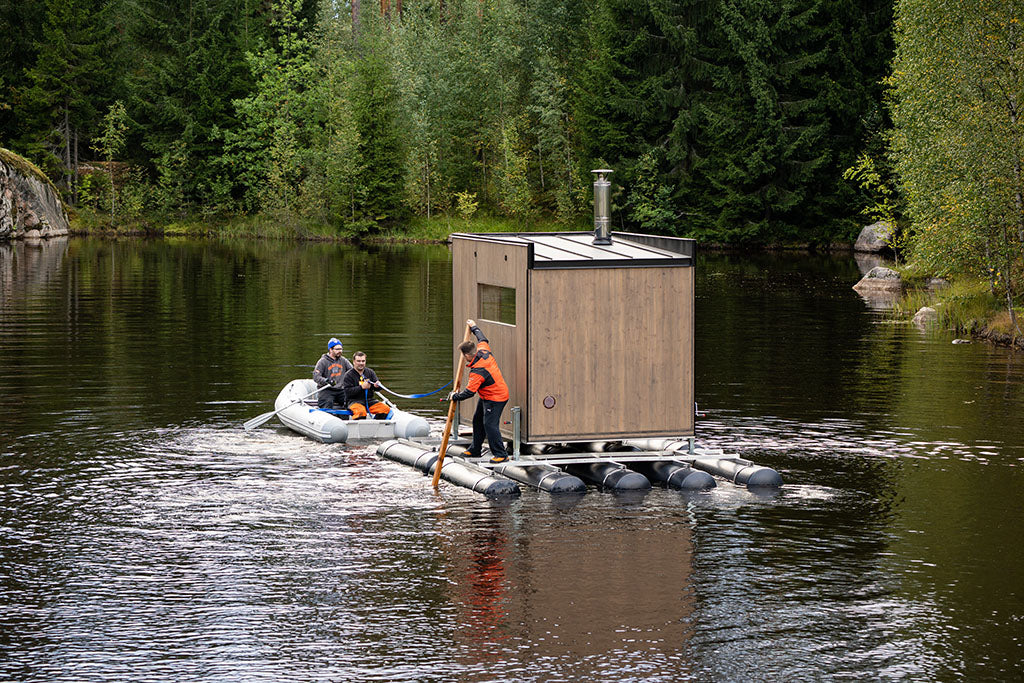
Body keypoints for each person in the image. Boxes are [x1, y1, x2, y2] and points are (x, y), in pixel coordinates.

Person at [449, 319, 509, 463]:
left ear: (468, 356)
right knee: (477, 420)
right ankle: (475, 449)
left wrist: (455, 396)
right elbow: (482, 338)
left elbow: (469, 392)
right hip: (487, 395)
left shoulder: (478, 371)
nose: (463, 358)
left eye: (463, 356)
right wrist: (473, 326)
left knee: (489, 424)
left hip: (496, 398)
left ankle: (501, 454)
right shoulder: (483, 350)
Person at [341, 351, 392, 420]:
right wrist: (361, 387)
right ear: (354, 362)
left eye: (363, 361)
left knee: (385, 409)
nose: (361, 363)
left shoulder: (370, 372)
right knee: (361, 412)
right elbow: (348, 392)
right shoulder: (348, 375)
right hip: (354, 401)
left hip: (369, 400)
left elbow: (377, 388)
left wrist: (377, 386)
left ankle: (376, 425)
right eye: (358, 361)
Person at [314, 337, 353, 410]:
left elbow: (353, 372)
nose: (340, 351)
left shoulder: (343, 360)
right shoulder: (322, 361)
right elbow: (316, 377)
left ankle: (346, 418)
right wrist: (326, 381)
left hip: (341, 390)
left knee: (350, 402)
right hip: (327, 390)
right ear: (330, 349)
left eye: (341, 349)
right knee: (327, 403)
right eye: (337, 349)